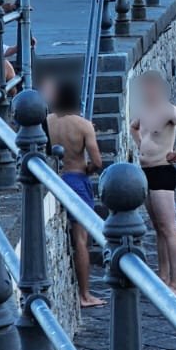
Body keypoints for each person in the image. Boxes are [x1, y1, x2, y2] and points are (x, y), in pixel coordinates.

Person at [129, 71, 176, 297]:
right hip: (146, 171)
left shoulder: (169, 110)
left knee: (169, 228)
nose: (147, 91)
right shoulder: (143, 110)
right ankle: (163, 276)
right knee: (158, 228)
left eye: (151, 87)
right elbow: (134, 127)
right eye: (144, 87)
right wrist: (140, 145)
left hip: (162, 171)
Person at [46, 80, 105, 308]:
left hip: (54, 180)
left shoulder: (47, 122)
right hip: (77, 181)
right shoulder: (83, 125)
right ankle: (84, 294)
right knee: (81, 241)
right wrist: (87, 170)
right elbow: (98, 161)